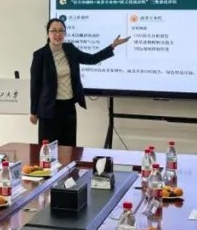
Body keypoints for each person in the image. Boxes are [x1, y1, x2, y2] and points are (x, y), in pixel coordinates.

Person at [29, 18, 128, 146]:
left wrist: (112, 46)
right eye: (54, 31)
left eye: (61, 30)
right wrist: (33, 112)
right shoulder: (40, 55)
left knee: (69, 147)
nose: (58, 34)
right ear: (48, 33)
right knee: (49, 149)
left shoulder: (70, 49)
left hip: (68, 106)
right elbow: (35, 85)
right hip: (49, 109)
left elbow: (91, 59)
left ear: (65, 33)